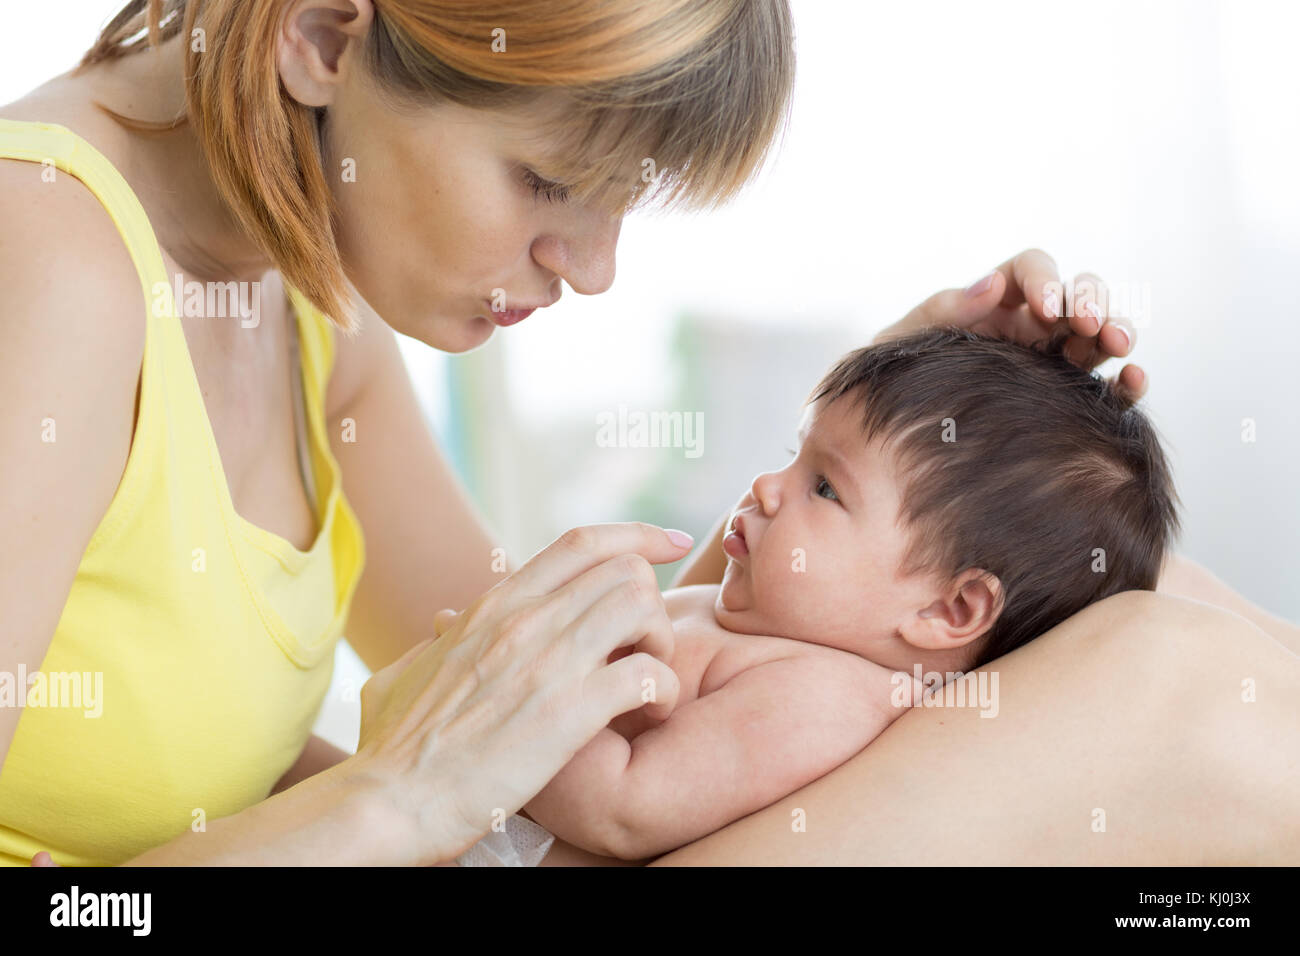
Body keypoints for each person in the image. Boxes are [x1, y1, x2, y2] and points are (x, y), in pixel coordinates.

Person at [1, 0, 1294, 867]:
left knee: (1137, 598)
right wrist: (391, 801)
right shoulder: (52, 266)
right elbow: (486, 742)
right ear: (327, 31)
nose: (594, 266)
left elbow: (561, 672)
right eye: (551, 180)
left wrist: (918, 418)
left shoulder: (299, 288)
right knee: (1166, 694)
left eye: (624, 203)